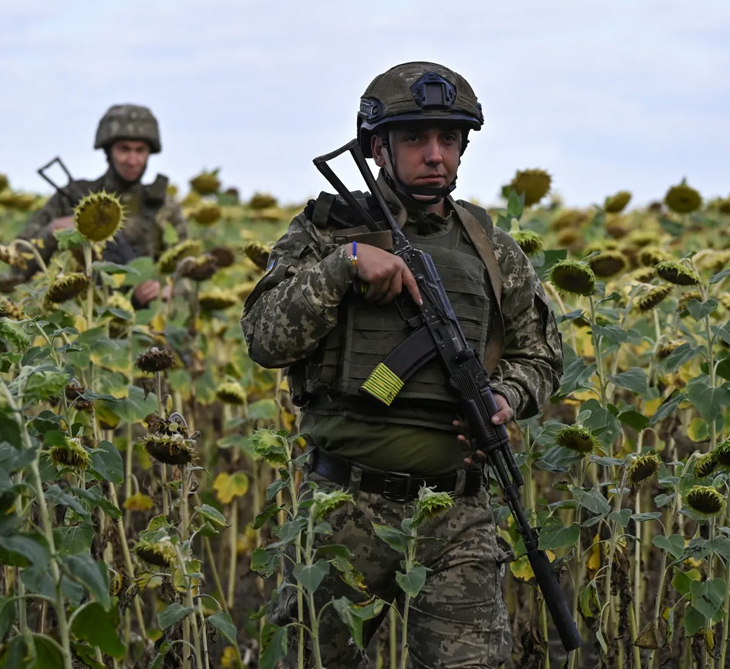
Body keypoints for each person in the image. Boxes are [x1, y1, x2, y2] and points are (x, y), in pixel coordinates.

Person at [241, 61, 563, 667]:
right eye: (415, 138)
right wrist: (346, 265)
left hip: (459, 512)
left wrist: (505, 397)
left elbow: (541, 354)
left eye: (449, 140)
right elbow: (264, 339)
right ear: (377, 149)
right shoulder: (327, 232)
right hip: (345, 507)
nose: (435, 155)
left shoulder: (492, 250)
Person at [3, 104, 188, 306]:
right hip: (82, 319)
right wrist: (52, 232)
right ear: (109, 151)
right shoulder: (73, 197)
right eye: (124, 149)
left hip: (143, 323)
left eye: (140, 150)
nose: (132, 160)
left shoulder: (164, 207)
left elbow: (186, 272)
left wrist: (168, 288)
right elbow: (17, 266)